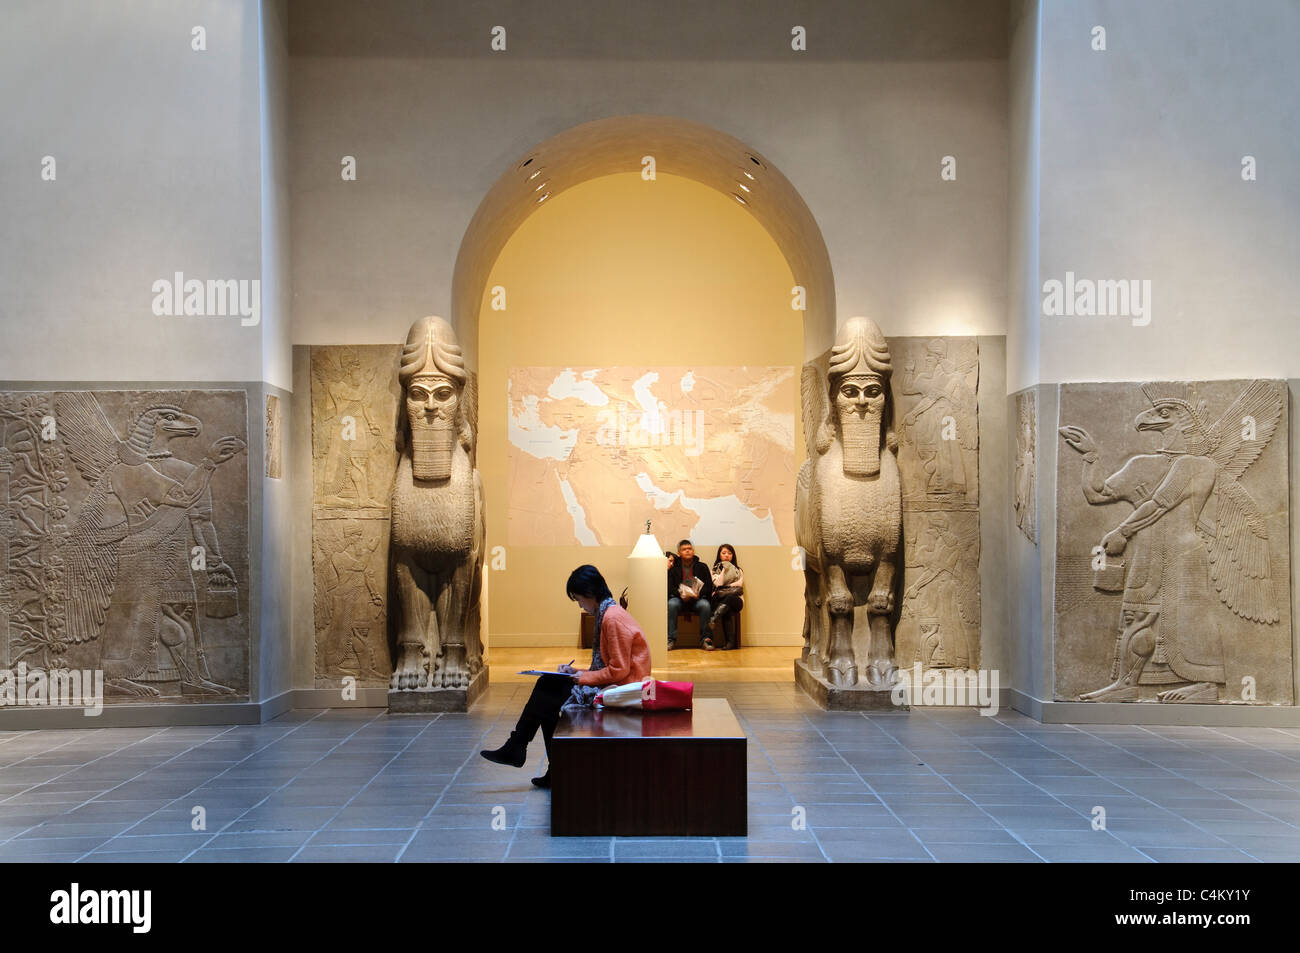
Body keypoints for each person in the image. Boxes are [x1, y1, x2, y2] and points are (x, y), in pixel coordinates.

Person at [480, 565, 651, 788]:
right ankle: (537, 759)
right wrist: (577, 672)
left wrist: (582, 678)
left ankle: (520, 748)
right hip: (618, 684)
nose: (580, 605)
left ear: (590, 594)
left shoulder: (612, 619)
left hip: (623, 690)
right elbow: (612, 667)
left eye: (579, 599)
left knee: (546, 691)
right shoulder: (608, 613)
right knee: (548, 695)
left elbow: (619, 670)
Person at [667, 538, 713, 650]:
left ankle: (706, 639)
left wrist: (698, 594)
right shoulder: (674, 569)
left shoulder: (702, 566)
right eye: (684, 549)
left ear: (693, 551)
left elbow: (708, 586)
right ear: (679, 553)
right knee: (672, 604)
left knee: (705, 605)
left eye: (690, 549)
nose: (687, 551)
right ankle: (671, 639)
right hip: (679, 599)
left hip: (697, 599)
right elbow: (670, 588)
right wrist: (682, 595)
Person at [710, 543, 744, 651]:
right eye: (724, 553)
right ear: (719, 555)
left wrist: (726, 588)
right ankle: (730, 642)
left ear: (733, 555)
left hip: (736, 600)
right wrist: (725, 568)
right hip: (722, 600)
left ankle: (714, 618)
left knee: (729, 599)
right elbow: (719, 584)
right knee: (727, 609)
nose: (726, 556)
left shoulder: (738, 570)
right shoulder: (714, 570)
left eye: (729, 553)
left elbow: (738, 585)